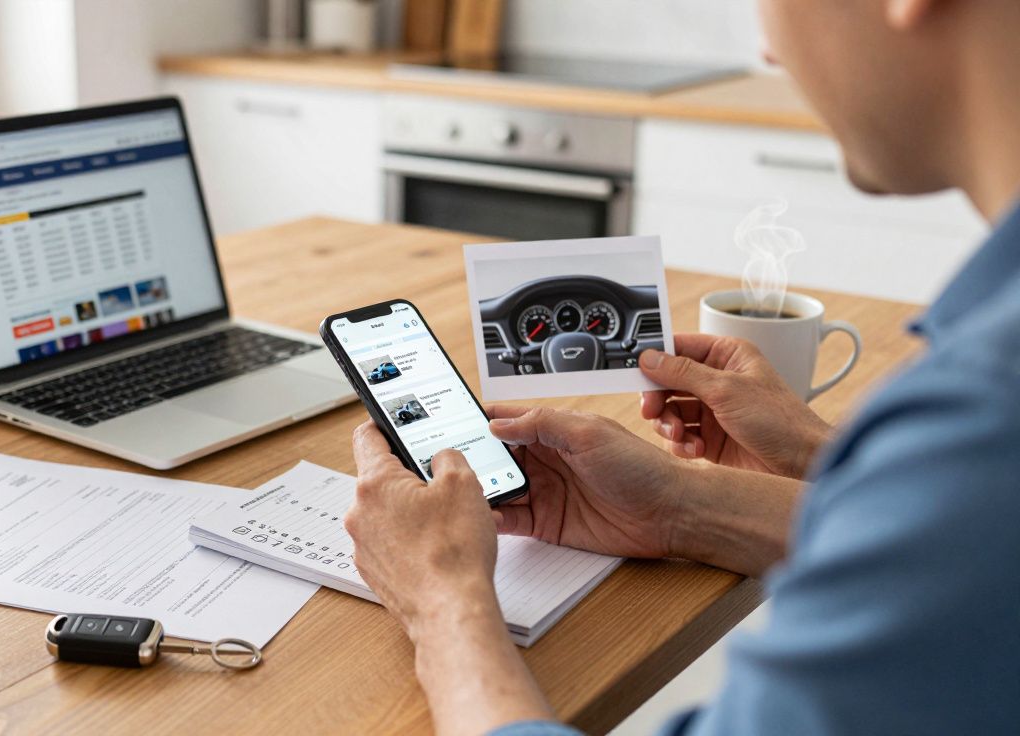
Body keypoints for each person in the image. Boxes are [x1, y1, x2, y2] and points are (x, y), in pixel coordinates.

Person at [345, 0, 1020, 734]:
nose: (769, 51)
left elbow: (964, 516)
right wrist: (679, 505)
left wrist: (443, 603)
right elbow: (965, 560)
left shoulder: (985, 417)